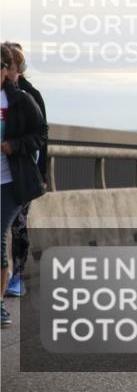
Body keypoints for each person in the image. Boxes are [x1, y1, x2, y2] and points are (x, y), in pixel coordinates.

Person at [1, 44, 47, 328]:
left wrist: (14, 145)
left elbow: (41, 133)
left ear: (6, 71)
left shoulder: (21, 100)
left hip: (9, 180)